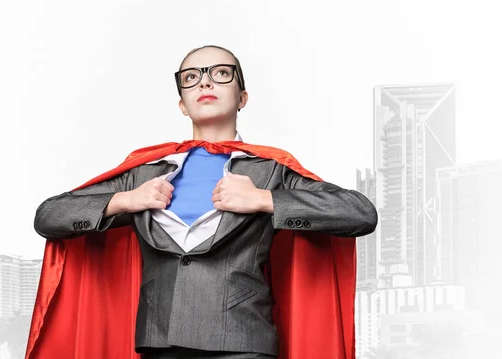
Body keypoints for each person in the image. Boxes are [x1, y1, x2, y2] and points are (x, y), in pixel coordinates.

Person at [27, 45, 378, 359]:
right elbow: (49, 216)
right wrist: (123, 200)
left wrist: (264, 199)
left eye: (220, 73)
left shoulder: (271, 170)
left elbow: (359, 213)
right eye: (192, 77)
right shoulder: (142, 173)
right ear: (182, 103)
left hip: (242, 342)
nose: (205, 83)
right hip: (159, 344)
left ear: (242, 97)